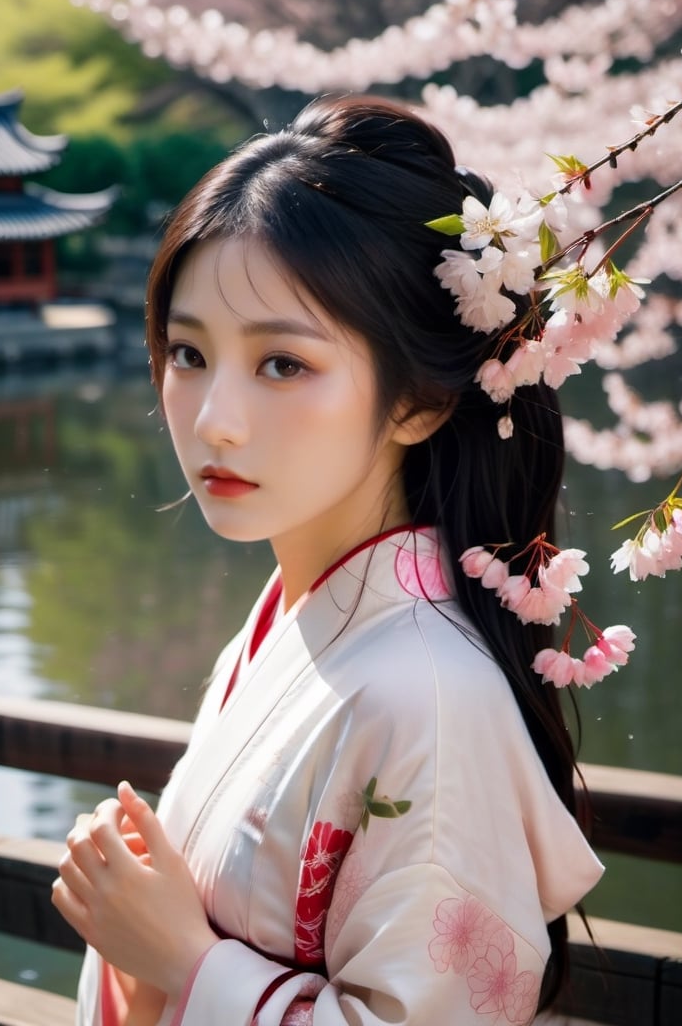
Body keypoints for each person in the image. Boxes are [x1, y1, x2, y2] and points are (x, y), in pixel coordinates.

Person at [52, 95, 603, 1026]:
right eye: (187, 352)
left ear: (418, 404)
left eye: (282, 364)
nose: (213, 419)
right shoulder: (292, 619)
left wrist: (183, 961)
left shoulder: (431, 696)